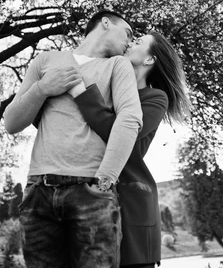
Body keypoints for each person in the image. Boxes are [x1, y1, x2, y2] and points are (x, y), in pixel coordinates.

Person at [3, 10, 143, 268]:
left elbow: (130, 118)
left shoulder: (117, 65)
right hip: (39, 191)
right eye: (128, 33)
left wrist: (106, 178)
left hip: (92, 190)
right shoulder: (45, 60)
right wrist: (43, 88)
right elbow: (11, 123)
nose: (130, 42)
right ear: (105, 23)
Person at [68, 31, 190, 268]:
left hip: (130, 203)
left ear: (149, 60)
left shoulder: (155, 98)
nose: (130, 43)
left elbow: (117, 132)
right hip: (86, 195)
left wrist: (80, 93)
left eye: (138, 42)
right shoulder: (106, 91)